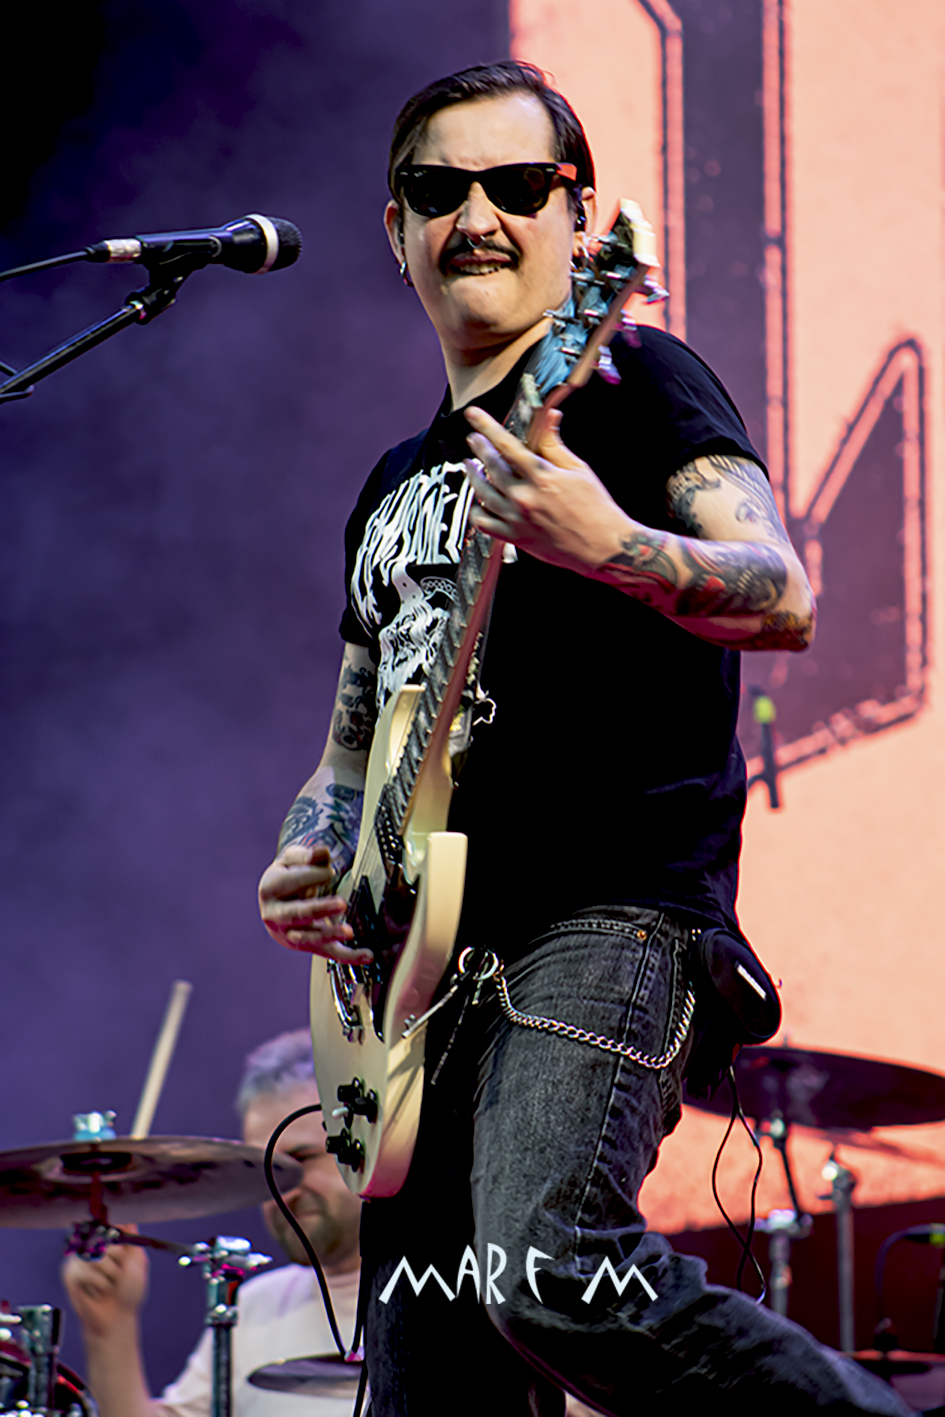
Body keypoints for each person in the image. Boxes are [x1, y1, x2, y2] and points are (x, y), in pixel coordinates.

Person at [258, 60, 910, 1417]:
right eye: (438, 190)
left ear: (580, 217)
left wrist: (606, 543)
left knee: (550, 1267)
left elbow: (782, 593)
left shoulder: (634, 382)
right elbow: (349, 746)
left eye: (515, 185)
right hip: (414, 989)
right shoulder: (391, 486)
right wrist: (310, 854)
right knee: (433, 1386)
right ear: (395, 230)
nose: (476, 217)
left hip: (606, 919)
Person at [63, 1030, 363, 1417]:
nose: (282, 1191)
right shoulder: (257, 1306)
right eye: (267, 1170)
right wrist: (109, 1325)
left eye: (301, 1158)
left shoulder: (429, 1289)